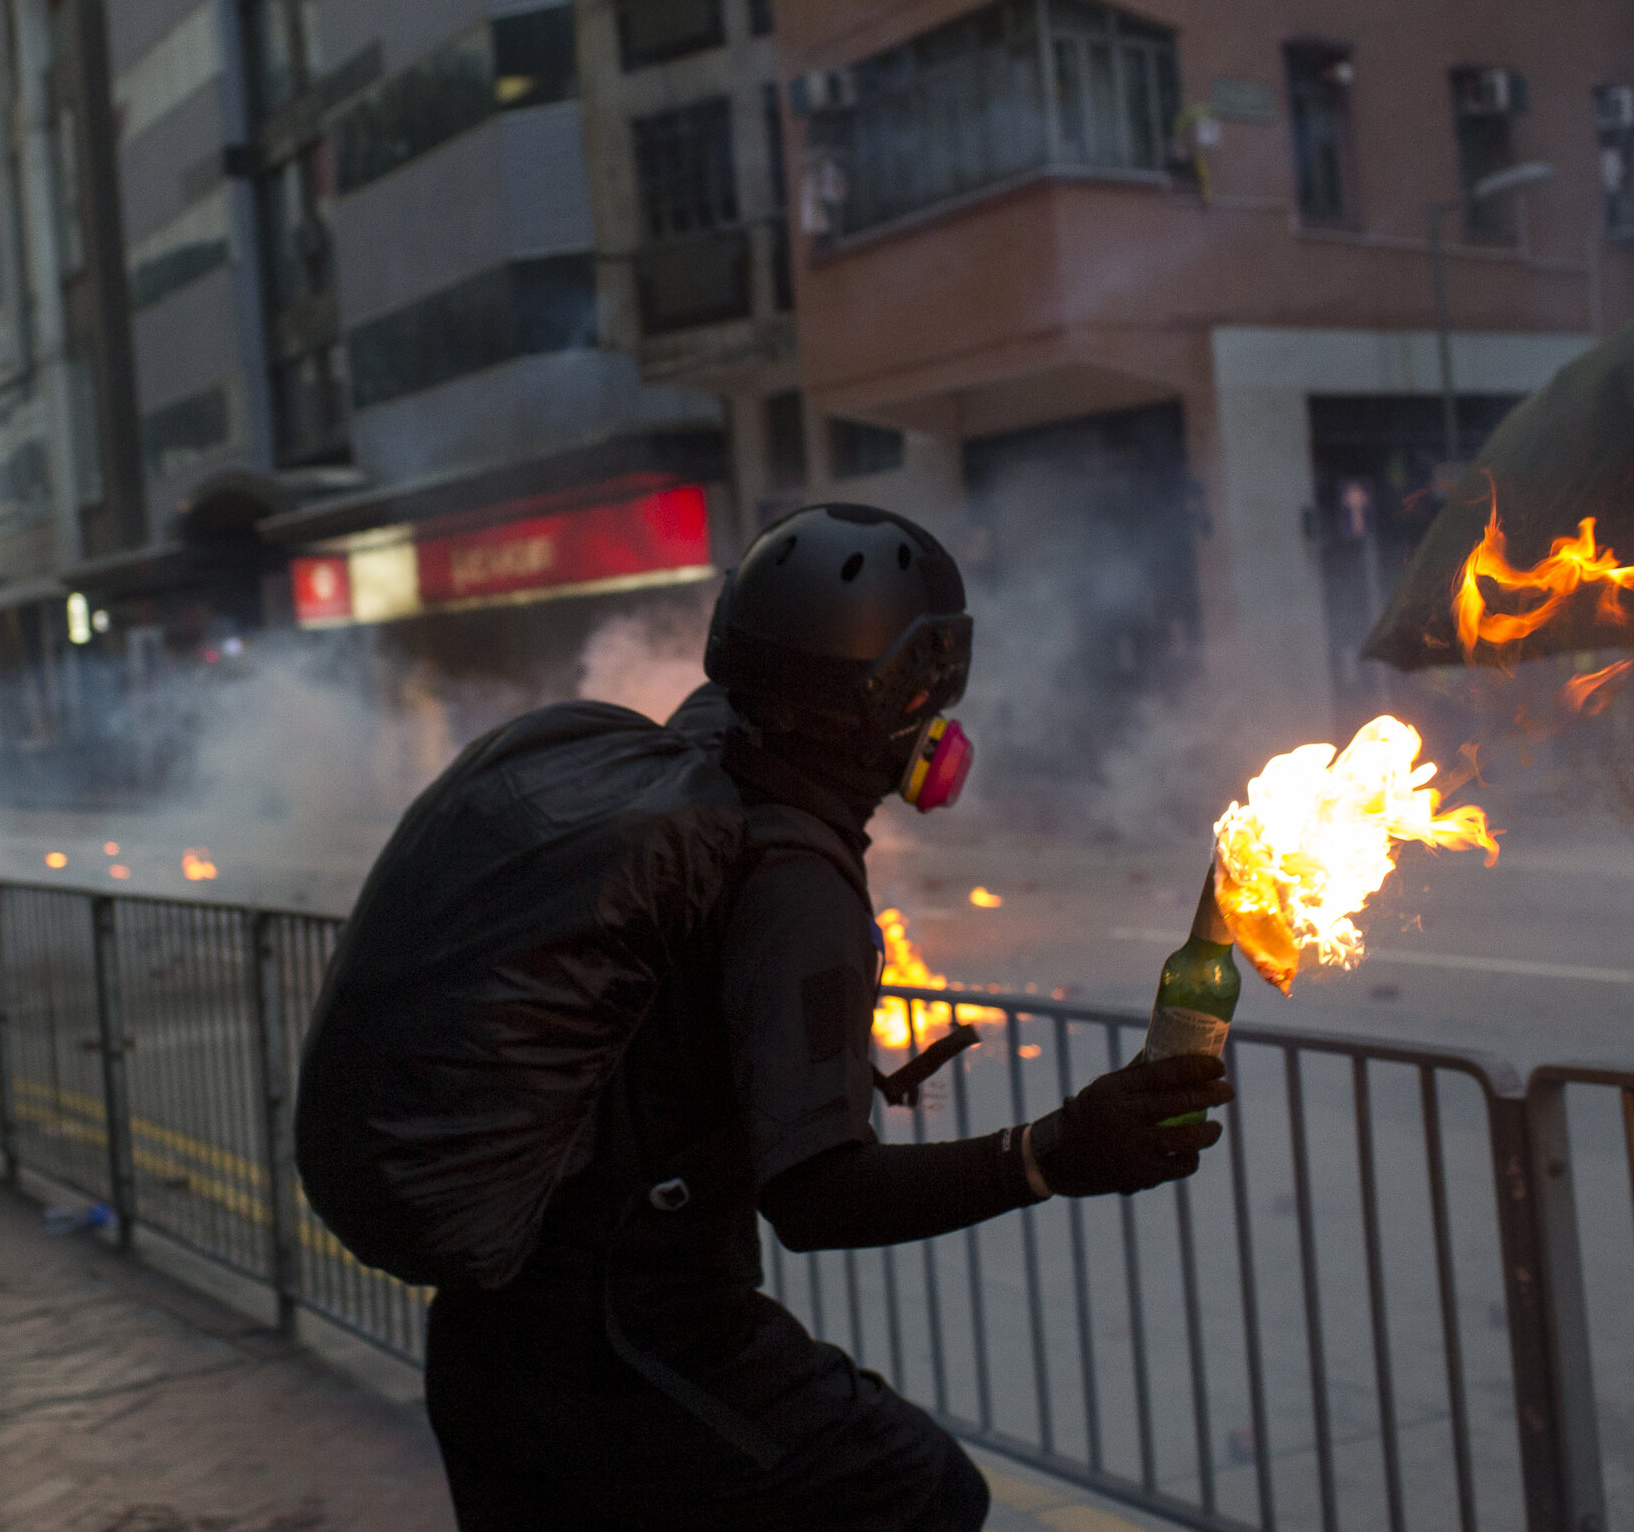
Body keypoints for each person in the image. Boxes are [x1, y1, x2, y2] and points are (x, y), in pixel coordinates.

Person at [418, 504, 1236, 1531]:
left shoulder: (698, 764)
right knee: (918, 1489)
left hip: (490, 1339)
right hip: (628, 1353)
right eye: (928, 680)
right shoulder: (791, 878)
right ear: (891, 698)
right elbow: (816, 1198)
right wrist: (1053, 1151)